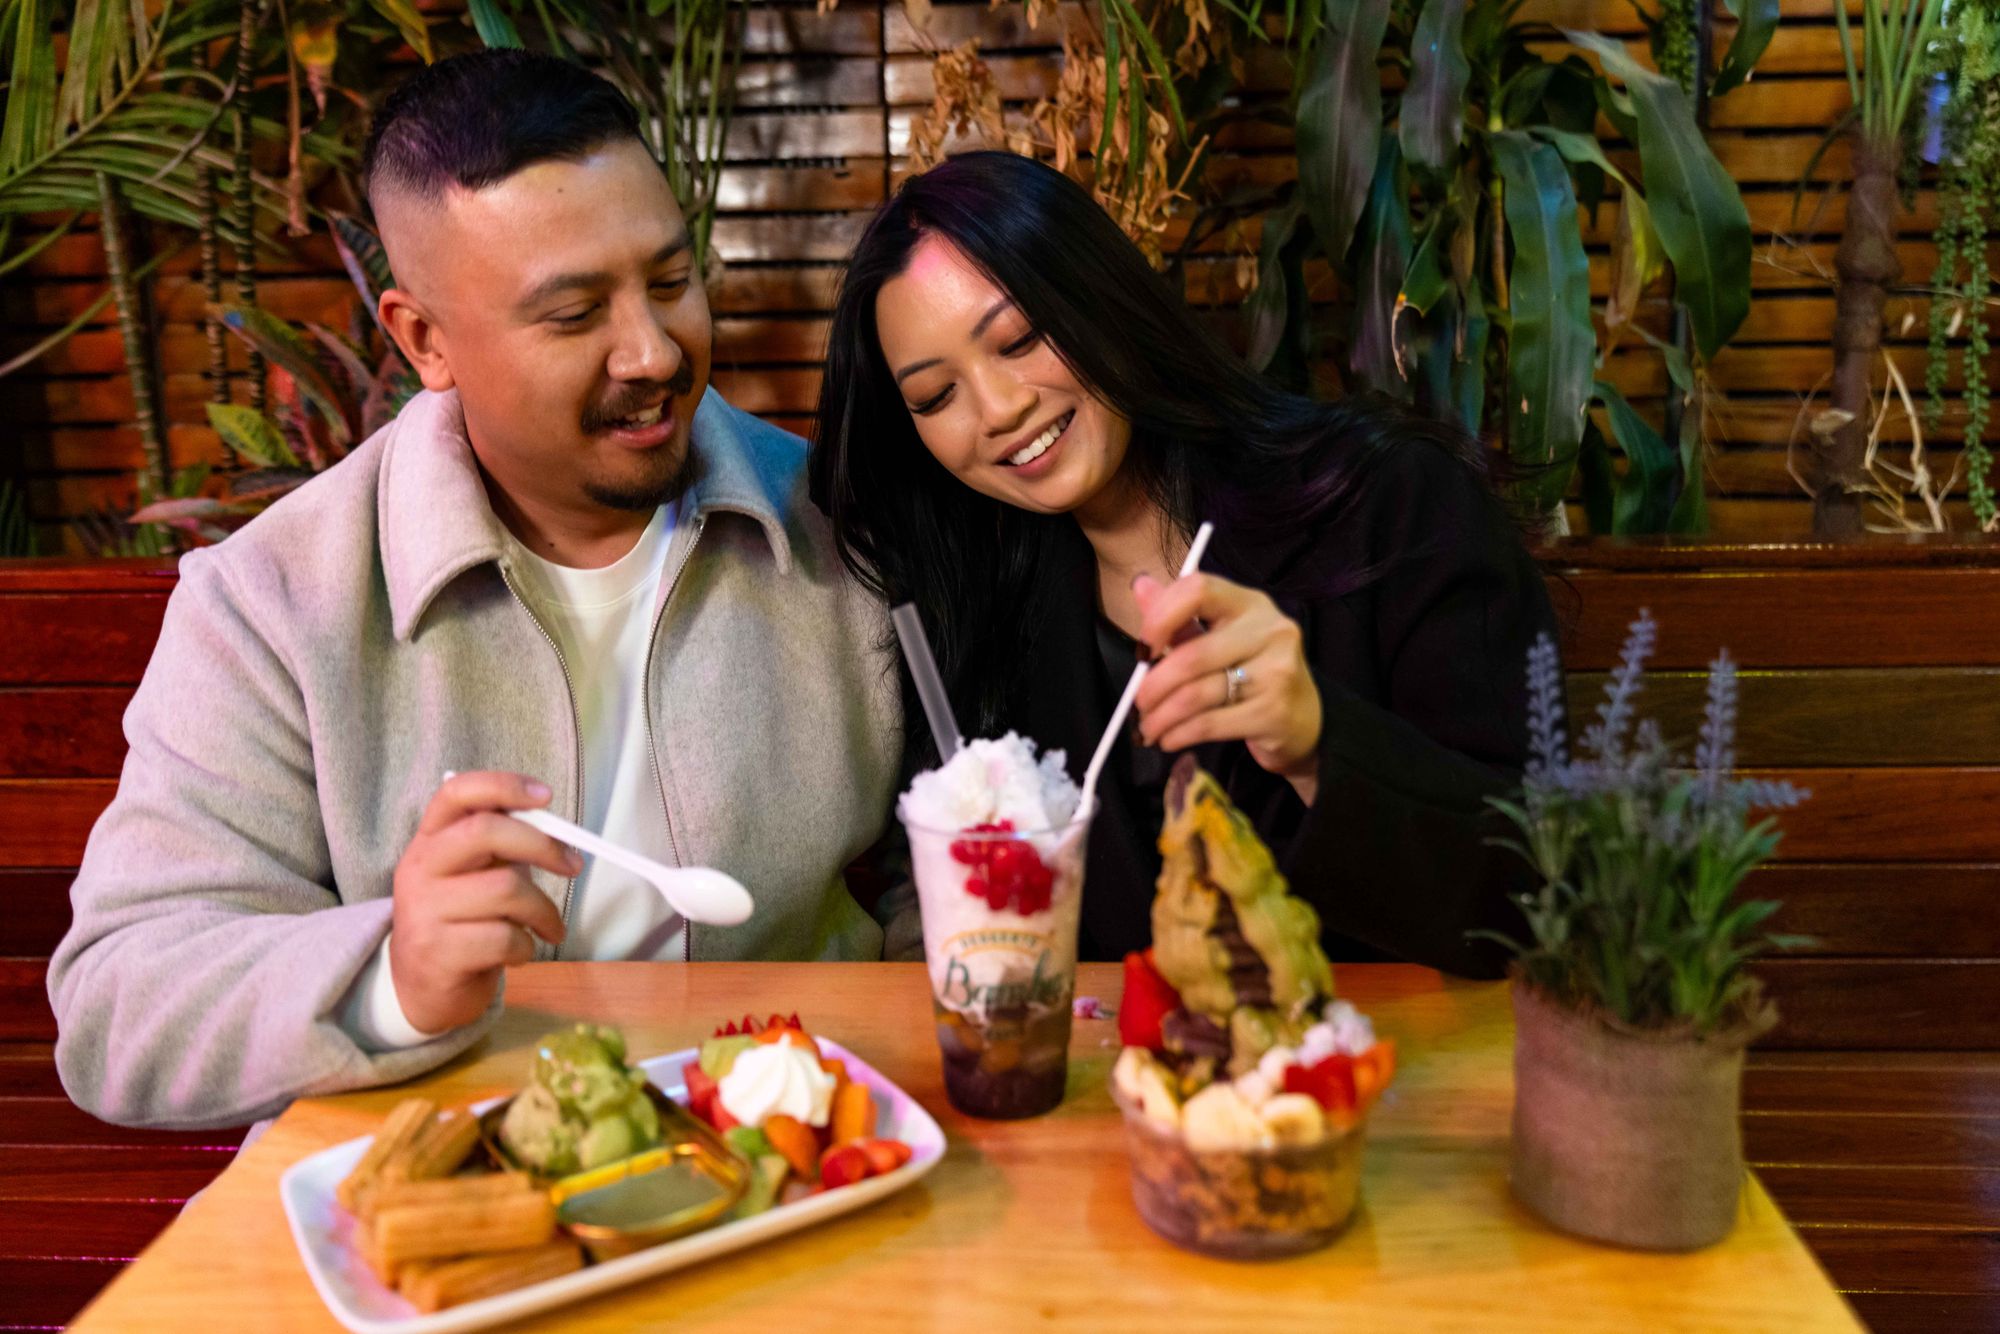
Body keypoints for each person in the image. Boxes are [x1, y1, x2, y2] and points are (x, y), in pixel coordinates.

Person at [48, 51, 903, 1131]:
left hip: (787, 1164)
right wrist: (393, 978)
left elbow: (970, 847)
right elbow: (118, 1007)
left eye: (671, 279)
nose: (650, 350)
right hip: (434, 1189)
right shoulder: (271, 600)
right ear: (423, 339)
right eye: (573, 312)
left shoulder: (844, 526)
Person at [810, 151, 1557, 977]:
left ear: (1100, 295)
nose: (998, 409)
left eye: (1019, 338)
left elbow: (1542, 887)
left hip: (1401, 1082)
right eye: (935, 397)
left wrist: (1318, 741)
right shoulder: (988, 622)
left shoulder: (1394, 506)